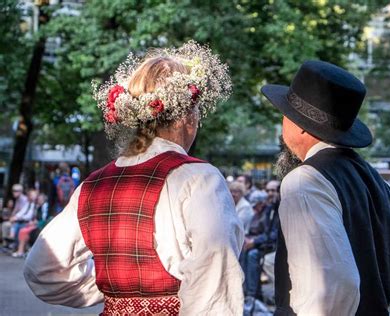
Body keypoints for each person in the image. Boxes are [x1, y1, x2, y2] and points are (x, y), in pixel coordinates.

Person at [24, 41, 244, 315]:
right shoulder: (198, 179)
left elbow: (43, 270)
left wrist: (113, 289)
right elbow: (216, 282)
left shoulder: (92, 186)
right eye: (196, 111)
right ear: (185, 117)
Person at [261, 60, 390, 315]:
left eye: (285, 113)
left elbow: (332, 288)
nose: (282, 122)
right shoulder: (383, 188)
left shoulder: (304, 182)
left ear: (301, 126)